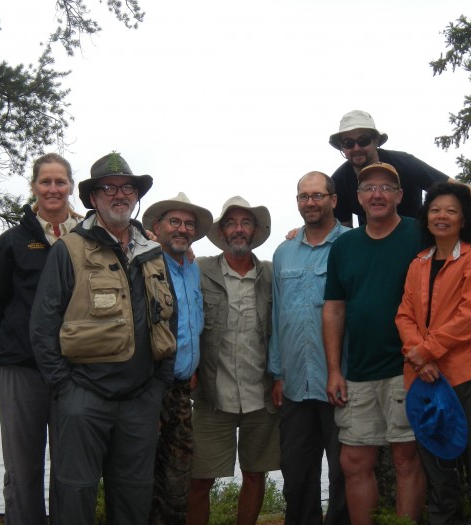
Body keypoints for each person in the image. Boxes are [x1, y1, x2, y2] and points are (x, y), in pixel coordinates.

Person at [29, 152, 176, 525]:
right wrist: (65, 388)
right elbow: (43, 326)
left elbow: (171, 323)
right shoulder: (68, 250)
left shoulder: (153, 253)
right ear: (93, 198)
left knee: (133, 500)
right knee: (74, 498)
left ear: (136, 196)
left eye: (127, 187)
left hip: (141, 401)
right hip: (83, 400)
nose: (119, 195)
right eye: (108, 188)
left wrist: (158, 386)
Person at [395, 182, 471, 524]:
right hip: (426, 382)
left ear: (463, 220)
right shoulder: (418, 263)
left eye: (451, 211)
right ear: (426, 217)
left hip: (469, 375)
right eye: (435, 210)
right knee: (440, 474)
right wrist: (419, 356)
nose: (442, 216)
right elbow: (405, 315)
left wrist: (425, 352)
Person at [323, 162, 426, 525]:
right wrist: (335, 370)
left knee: (405, 459)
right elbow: (334, 309)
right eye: (368, 188)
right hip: (358, 370)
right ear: (358, 198)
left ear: (399, 196)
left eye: (386, 187)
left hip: (409, 367)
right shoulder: (344, 246)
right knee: (354, 461)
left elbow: (457, 275)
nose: (377, 194)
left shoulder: (419, 234)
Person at [0, 152, 81, 525]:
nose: (53, 189)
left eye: (60, 182)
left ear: (71, 186)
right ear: (34, 187)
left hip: (75, 370)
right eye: (46, 182)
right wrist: (29, 335)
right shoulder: (12, 241)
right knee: (22, 472)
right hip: (20, 369)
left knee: (70, 471)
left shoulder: (89, 236)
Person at [187, 196, 280, 525]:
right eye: (231, 223)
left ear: (255, 231)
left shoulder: (270, 273)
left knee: (255, 475)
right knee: (199, 480)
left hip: (262, 396)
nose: (239, 229)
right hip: (214, 396)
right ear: (222, 231)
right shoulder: (200, 270)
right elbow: (184, 317)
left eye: (246, 223)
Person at [268, 172, 350, 525]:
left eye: (318, 195)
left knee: (345, 471)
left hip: (341, 381)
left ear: (333, 200)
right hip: (295, 384)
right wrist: (277, 374)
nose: (310, 202)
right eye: (303, 196)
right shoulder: (283, 253)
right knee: (297, 474)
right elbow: (276, 315)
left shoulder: (353, 245)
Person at [328, 109, 471, 238]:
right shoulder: (339, 182)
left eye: (363, 140)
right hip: (375, 247)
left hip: (418, 243)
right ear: (342, 147)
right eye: (348, 143)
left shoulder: (404, 164)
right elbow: (343, 233)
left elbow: (457, 190)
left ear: (376, 141)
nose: (356, 148)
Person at [142, 192, 213, 524]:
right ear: (157, 227)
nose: (182, 229)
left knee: (178, 476)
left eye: (188, 224)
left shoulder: (193, 269)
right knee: (143, 475)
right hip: (150, 387)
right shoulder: (145, 266)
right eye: (174, 222)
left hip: (182, 389)